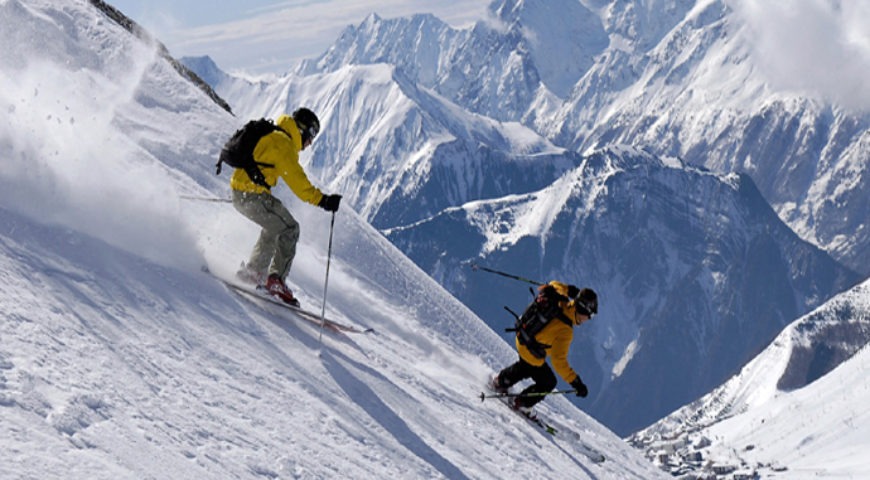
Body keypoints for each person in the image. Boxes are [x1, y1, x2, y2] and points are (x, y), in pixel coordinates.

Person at [231, 108, 341, 307]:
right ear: (302, 130)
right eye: (311, 135)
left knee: (275, 226)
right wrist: (323, 200)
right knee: (290, 228)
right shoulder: (283, 144)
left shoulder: (274, 134)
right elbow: (299, 184)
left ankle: (254, 272)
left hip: (242, 194)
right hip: (252, 196)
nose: (310, 143)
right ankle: (276, 282)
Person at [489, 281, 598, 418]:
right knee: (548, 381)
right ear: (583, 311)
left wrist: (569, 289)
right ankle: (522, 403)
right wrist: (576, 382)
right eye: (590, 315)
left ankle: (501, 380)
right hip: (530, 350)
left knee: (527, 366)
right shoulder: (566, 331)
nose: (589, 319)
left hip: (522, 336)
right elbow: (558, 362)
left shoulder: (560, 300)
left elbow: (553, 284)